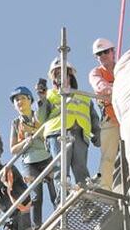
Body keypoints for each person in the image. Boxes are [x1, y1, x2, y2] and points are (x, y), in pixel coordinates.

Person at [38, 58, 100, 191]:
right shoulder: (49, 95)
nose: (60, 77)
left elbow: (93, 117)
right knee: (61, 169)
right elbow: (41, 118)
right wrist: (42, 99)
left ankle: (87, 204)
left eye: (63, 73)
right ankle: (62, 199)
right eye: (57, 74)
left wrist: (98, 135)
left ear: (70, 75)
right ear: (53, 78)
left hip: (80, 134)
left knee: (81, 170)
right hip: (57, 134)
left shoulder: (83, 96)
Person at [8, 86, 57, 229]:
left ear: (30, 100)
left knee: (56, 191)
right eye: (16, 100)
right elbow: (13, 149)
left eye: (22, 98)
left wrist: (38, 134)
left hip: (46, 156)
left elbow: (50, 131)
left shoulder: (38, 116)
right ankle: (37, 228)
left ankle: (61, 218)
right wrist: (25, 141)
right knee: (36, 196)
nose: (19, 102)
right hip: (29, 163)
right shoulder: (16, 124)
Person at [87, 38, 121, 187]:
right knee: (108, 157)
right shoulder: (96, 73)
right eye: (99, 54)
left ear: (113, 52)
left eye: (106, 52)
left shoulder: (123, 68)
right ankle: (106, 188)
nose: (103, 56)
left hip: (127, 118)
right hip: (111, 120)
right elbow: (100, 87)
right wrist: (119, 90)